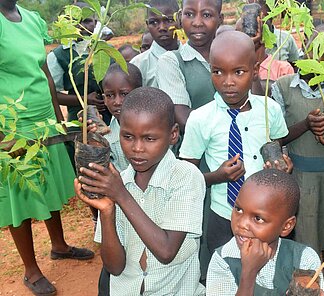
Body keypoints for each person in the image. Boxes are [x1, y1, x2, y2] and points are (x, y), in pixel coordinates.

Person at [0, 1, 94, 295]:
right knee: (22, 194)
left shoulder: (30, 19)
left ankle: (59, 246)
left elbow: (44, 73)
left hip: (43, 117)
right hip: (14, 122)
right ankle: (30, 270)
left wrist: (56, 118)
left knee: (49, 184)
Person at [75, 87, 206, 295]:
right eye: (128, 137)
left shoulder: (186, 177)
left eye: (149, 139)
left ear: (173, 135)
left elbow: (166, 251)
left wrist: (121, 196)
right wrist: (107, 211)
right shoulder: (119, 182)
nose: (137, 148)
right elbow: (114, 267)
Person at [179, 31, 290, 255]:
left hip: (266, 218)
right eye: (218, 72)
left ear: (255, 71)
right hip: (222, 217)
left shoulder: (270, 110)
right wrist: (216, 177)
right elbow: (185, 177)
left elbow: (279, 151)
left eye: (238, 72)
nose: (228, 82)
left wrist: (284, 168)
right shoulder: (200, 119)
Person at [272, 22, 324, 260]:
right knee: (306, 242)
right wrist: (305, 125)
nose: (321, 59)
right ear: (305, 46)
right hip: (301, 179)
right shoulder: (283, 87)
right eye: (317, 50)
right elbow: (276, 137)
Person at [207, 169, 324, 295]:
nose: (241, 224)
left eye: (258, 218)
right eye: (239, 209)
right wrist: (249, 274)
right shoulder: (224, 259)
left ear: (286, 226)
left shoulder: (303, 259)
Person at [91, 62, 143, 296]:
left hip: (146, 207)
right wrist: (93, 144)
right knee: (112, 273)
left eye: (124, 94)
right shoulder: (106, 131)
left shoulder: (152, 128)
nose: (117, 102)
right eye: (110, 95)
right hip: (117, 213)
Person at [156, 0, 223, 133]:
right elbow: (183, 119)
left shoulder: (231, 55)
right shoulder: (171, 62)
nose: (197, 23)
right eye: (189, 14)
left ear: (220, 19)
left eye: (207, 15)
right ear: (180, 17)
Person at [47, 2, 110, 124]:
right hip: (79, 122)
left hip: (110, 120)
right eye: (75, 22)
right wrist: (84, 99)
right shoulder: (58, 56)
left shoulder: (106, 50)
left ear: (96, 23)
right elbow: (52, 95)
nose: (81, 26)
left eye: (87, 21)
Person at [130, 0, 180, 87]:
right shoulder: (138, 65)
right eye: (154, 22)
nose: (162, 28)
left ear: (180, 20)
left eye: (169, 20)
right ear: (147, 24)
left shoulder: (193, 57)